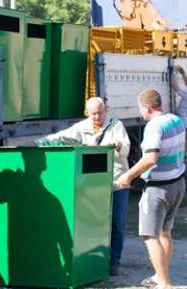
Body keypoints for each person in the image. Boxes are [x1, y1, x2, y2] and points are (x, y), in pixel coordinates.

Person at [45, 97, 131, 276]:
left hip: (117, 182)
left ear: (105, 110)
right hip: (93, 184)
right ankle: (95, 260)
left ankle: (114, 261)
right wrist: (39, 142)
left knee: (117, 222)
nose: (97, 117)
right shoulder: (82, 127)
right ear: (87, 112)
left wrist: (118, 146)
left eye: (100, 113)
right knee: (93, 223)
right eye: (93, 114)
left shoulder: (116, 126)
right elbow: (61, 136)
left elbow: (127, 149)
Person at [116, 89, 185, 289]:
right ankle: (160, 275)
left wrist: (127, 176)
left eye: (140, 109)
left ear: (147, 107)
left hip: (158, 189)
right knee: (165, 231)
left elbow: (150, 159)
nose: (140, 113)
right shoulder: (176, 120)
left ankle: (164, 283)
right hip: (177, 183)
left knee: (149, 235)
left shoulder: (154, 127)